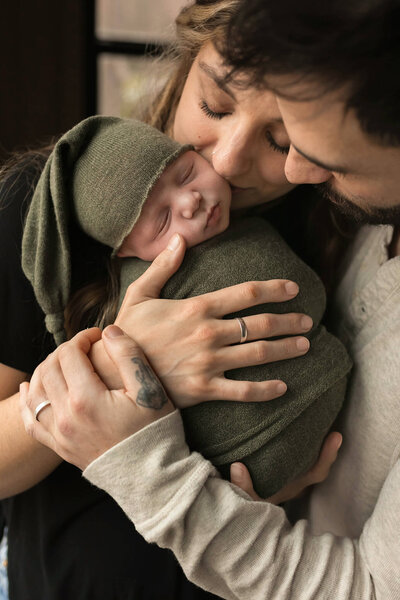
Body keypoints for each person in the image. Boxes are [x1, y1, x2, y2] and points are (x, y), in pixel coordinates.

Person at [20, 0, 400, 598]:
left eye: (283, 140)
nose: (225, 162)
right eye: (214, 105)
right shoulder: (68, 209)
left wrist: (260, 496)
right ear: (188, 59)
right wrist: (127, 363)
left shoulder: (340, 220)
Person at [22, 115, 350, 498]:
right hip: (231, 465)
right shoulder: (143, 299)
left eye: (186, 173)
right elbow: (308, 296)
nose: (191, 201)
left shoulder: (255, 223)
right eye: (163, 220)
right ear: (129, 252)